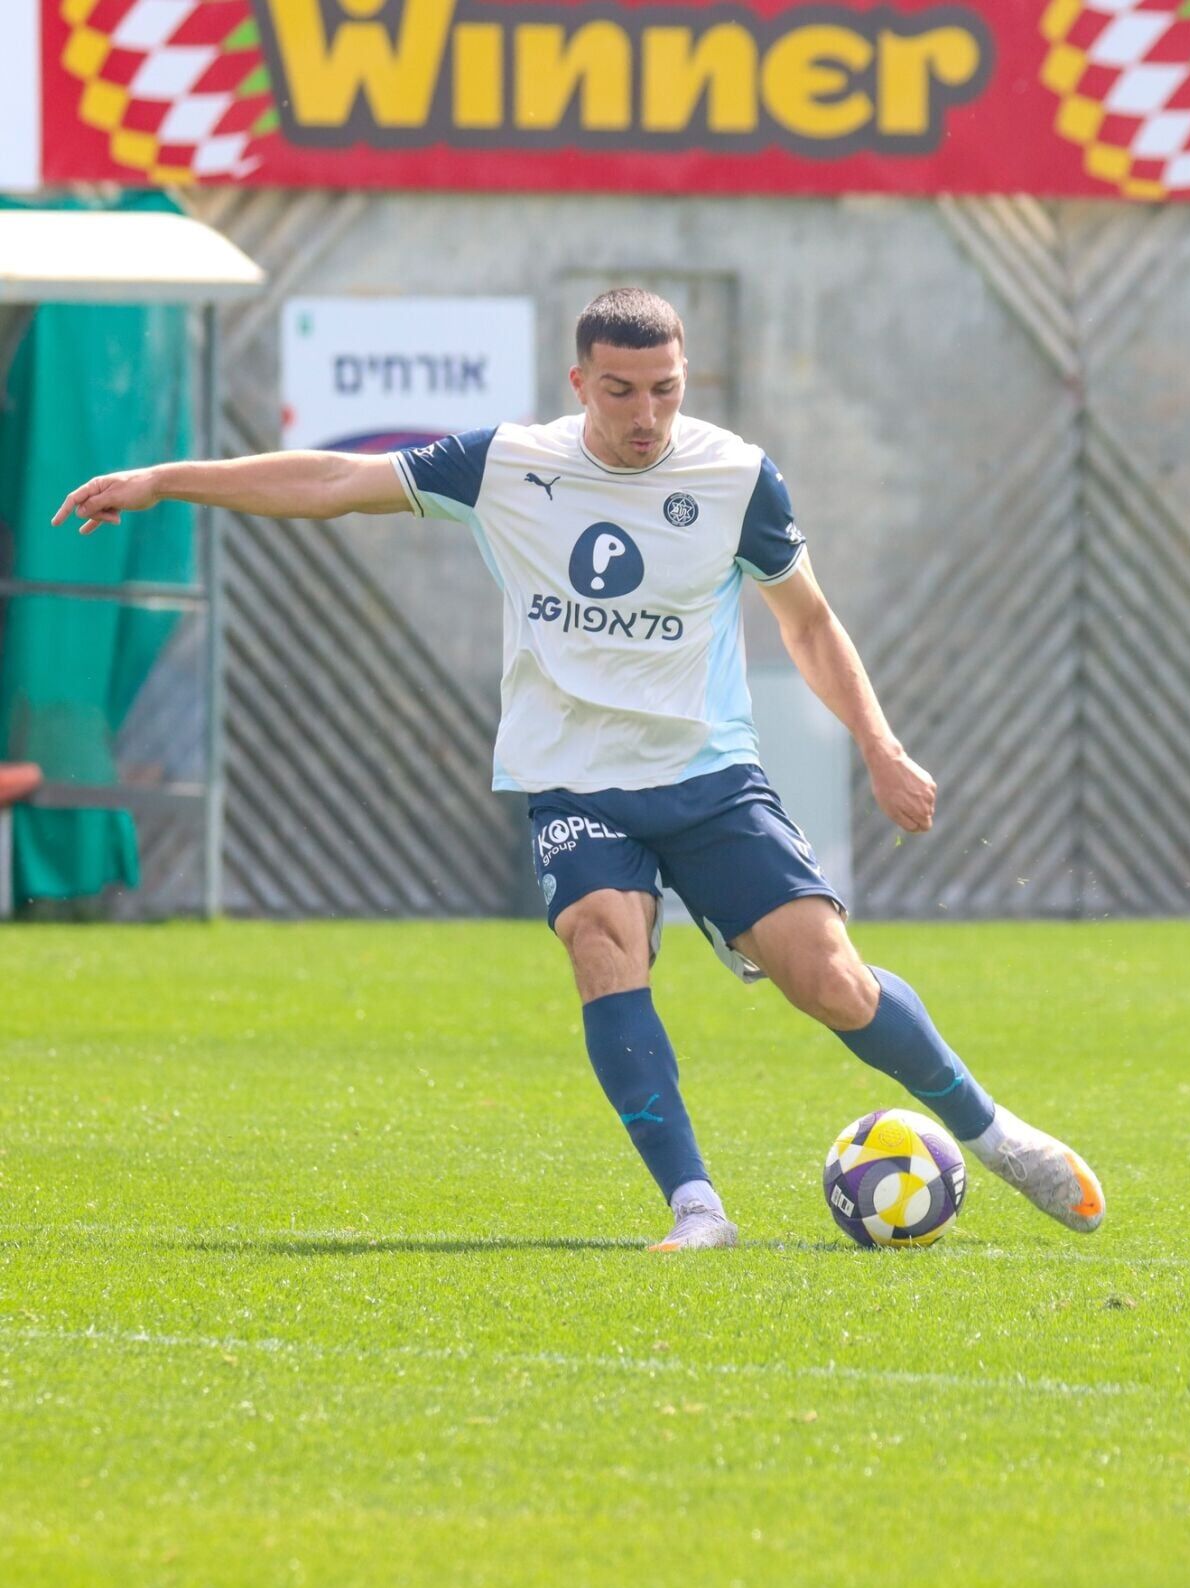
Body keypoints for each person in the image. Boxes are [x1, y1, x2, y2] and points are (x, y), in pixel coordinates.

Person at [53, 288, 1105, 1251]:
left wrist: (880, 746)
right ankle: (696, 1206)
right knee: (601, 941)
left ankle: (998, 1136)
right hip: (575, 782)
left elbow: (810, 622)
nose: (646, 414)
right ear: (578, 382)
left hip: (707, 778)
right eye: (620, 390)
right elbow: (333, 479)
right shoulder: (507, 464)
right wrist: (163, 481)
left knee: (829, 980)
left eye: (665, 389)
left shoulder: (737, 477)